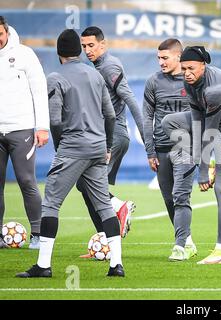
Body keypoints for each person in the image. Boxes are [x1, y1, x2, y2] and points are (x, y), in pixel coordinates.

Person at [16, 29, 124, 277]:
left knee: (51, 204)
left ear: (58, 53)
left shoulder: (54, 77)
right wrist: (106, 146)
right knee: (104, 207)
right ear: (79, 51)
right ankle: (116, 265)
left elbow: (54, 120)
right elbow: (110, 115)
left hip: (73, 148)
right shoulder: (95, 75)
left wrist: (60, 146)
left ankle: (43, 266)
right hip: (97, 148)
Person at [162, 46, 221, 264]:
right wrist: (196, 159)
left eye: (191, 68)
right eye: (183, 68)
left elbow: (211, 132)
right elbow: (197, 122)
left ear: (204, 66)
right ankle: (195, 159)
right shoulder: (190, 81)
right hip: (214, 126)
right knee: (170, 122)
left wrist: (203, 171)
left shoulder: (216, 89)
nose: (186, 73)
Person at [79, 26, 144, 239]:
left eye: (91, 45)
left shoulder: (109, 66)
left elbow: (130, 98)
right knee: (85, 185)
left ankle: (118, 207)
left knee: (89, 184)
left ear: (102, 44)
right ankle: (104, 240)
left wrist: (144, 132)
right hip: (102, 135)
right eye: (84, 46)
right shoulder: (97, 66)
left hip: (113, 136)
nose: (88, 50)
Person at [143, 38, 198, 261]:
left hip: (186, 148)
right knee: (168, 199)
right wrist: (150, 150)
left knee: (180, 196)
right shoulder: (153, 82)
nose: (161, 62)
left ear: (178, 56)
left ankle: (180, 246)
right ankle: (189, 241)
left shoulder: (193, 80)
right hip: (161, 149)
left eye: (165, 58)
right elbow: (147, 117)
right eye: (158, 58)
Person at [0, 16, 49, 249]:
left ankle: (37, 234)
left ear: (7, 32)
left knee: (27, 181)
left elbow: (39, 91)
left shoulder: (25, 54)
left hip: (22, 129)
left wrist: (42, 127)